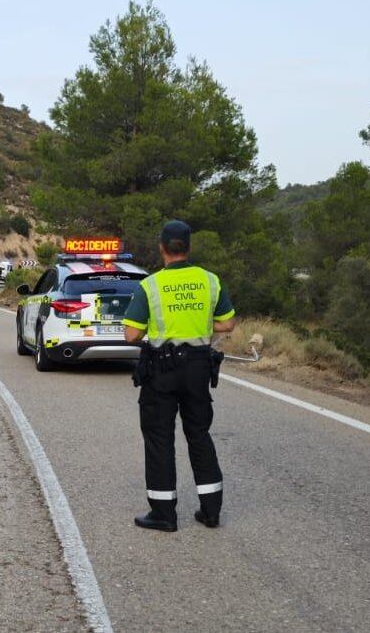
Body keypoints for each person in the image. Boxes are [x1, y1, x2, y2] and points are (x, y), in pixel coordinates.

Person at [122, 220, 236, 532]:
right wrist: (197, 330)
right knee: (199, 435)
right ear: (188, 247)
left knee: (159, 438)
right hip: (199, 366)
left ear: (161, 247)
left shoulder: (151, 285)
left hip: (162, 368)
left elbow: (131, 334)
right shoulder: (210, 280)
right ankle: (211, 511)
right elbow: (227, 324)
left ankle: (164, 514)